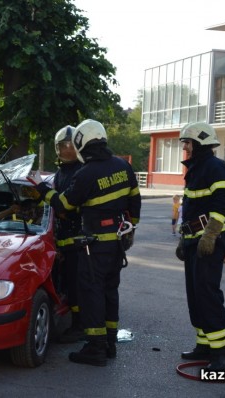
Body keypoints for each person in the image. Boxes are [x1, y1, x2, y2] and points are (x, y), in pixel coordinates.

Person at [34, 119, 141, 366]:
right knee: (109, 292)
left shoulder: (87, 173)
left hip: (93, 246)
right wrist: (130, 229)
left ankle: (95, 349)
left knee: (90, 295)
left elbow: (62, 205)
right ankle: (110, 343)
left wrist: (42, 189)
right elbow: (135, 202)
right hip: (116, 244)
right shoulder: (123, 167)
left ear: (82, 142)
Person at [176, 122, 225, 371]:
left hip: (209, 240)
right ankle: (204, 344)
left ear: (200, 143)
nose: (186, 147)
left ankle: (221, 354)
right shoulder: (197, 168)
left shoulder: (214, 166)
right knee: (195, 295)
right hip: (194, 240)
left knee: (208, 295)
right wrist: (184, 238)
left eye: (188, 143)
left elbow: (223, 203)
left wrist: (210, 235)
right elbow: (191, 207)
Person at [51, 125, 84, 343]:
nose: (67, 149)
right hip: (61, 239)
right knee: (65, 282)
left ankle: (80, 325)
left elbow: (68, 205)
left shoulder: (82, 171)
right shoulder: (59, 173)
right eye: (63, 145)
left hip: (79, 239)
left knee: (77, 284)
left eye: (71, 145)